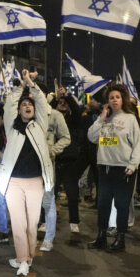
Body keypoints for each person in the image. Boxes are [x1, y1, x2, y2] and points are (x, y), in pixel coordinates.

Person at [0, 70, 55, 276]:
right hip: (14, 182)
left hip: (35, 182)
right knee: (19, 223)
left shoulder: (40, 125)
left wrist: (31, 84)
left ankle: (27, 257)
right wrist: (21, 86)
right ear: (19, 110)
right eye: (24, 105)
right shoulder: (11, 127)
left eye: (29, 104)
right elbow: (9, 104)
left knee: (32, 224)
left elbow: (41, 101)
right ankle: (23, 259)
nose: (27, 106)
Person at [86, 83, 140, 252]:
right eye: (111, 98)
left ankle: (120, 239)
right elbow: (92, 137)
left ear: (122, 99)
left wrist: (133, 165)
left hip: (123, 169)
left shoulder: (130, 118)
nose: (114, 100)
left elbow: (138, 145)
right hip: (105, 168)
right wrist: (101, 117)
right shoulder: (104, 118)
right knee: (103, 204)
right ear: (107, 101)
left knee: (121, 205)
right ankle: (101, 237)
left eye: (117, 97)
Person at [36, 93, 72, 251]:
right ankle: (30, 236)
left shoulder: (55, 115)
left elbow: (66, 137)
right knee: (30, 202)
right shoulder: (30, 113)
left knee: (48, 201)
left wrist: (52, 151)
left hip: (48, 165)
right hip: (29, 166)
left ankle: (48, 238)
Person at [52, 89, 88, 233]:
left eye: (64, 103)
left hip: (69, 161)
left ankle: (74, 221)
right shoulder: (50, 120)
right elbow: (46, 108)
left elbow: (77, 111)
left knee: (72, 194)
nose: (62, 104)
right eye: (59, 103)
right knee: (50, 193)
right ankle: (45, 220)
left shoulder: (73, 121)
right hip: (54, 160)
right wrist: (57, 97)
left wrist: (67, 97)